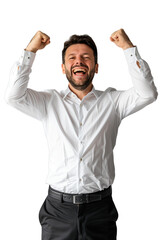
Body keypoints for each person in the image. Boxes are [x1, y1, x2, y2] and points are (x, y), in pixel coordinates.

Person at [5, 29, 158, 240]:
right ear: (63, 68)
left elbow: (148, 93)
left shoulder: (113, 102)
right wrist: (30, 51)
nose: (79, 61)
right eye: (72, 58)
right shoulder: (49, 102)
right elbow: (13, 96)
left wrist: (128, 48)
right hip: (57, 211)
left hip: (100, 211)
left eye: (86, 57)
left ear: (95, 67)